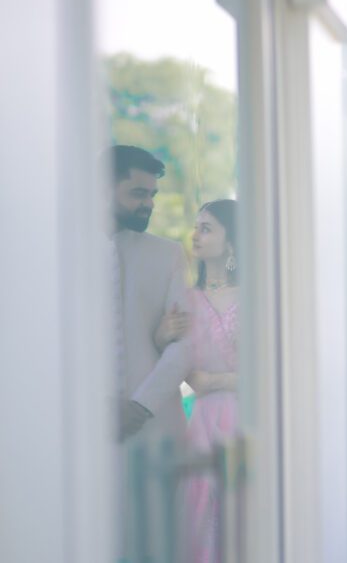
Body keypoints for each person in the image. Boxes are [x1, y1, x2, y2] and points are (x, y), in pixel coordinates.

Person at [103, 144, 191, 559]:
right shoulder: (56, 254)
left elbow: (185, 344)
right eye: (139, 194)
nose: (149, 204)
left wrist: (139, 406)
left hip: (154, 427)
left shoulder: (168, 254)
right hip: (84, 430)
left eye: (153, 195)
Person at [180, 199, 241, 563]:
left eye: (207, 228)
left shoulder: (258, 295)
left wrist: (215, 380)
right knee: (200, 512)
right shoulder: (187, 299)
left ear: (231, 241)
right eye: (196, 226)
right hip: (201, 423)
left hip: (246, 417)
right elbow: (178, 360)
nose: (195, 235)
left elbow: (273, 371)